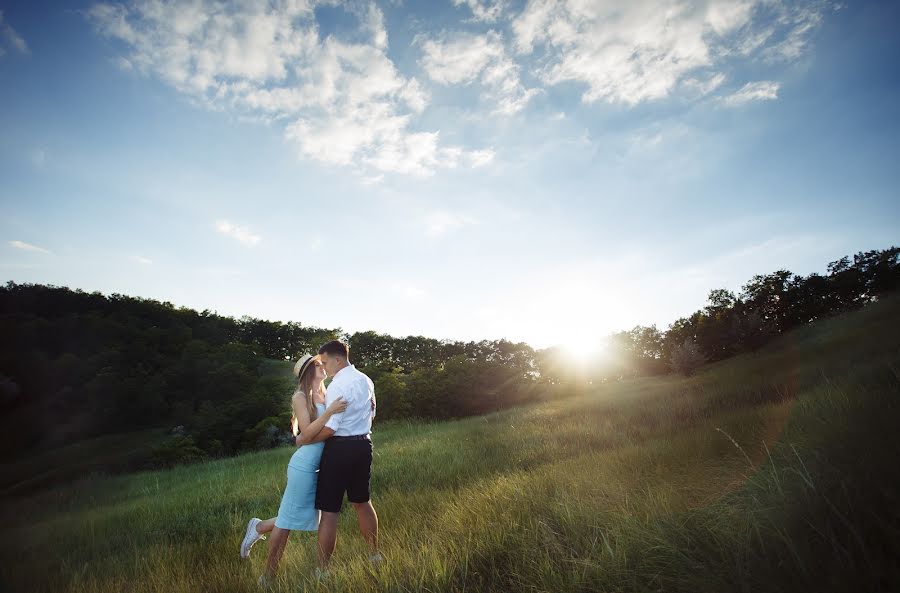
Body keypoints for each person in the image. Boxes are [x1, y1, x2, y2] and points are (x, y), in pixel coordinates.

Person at [239, 354, 348, 587]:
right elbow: (307, 432)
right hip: (304, 466)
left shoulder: (327, 393)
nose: (323, 367)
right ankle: (267, 576)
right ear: (309, 371)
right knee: (287, 522)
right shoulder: (300, 396)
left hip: (323, 466)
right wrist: (328, 414)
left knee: (302, 517)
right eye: (318, 365)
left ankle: (258, 526)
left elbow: (318, 433)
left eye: (322, 363)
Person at [297, 340, 381, 574]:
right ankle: (374, 555)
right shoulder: (366, 380)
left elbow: (331, 429)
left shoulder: (337, 385)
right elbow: (372, 413)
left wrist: (306, 439)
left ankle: (323, 570)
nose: (324, 367)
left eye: (325, 362)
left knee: (329, 511)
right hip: (364, 445)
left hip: (340, 449)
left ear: (337, 359)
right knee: (362, 502)